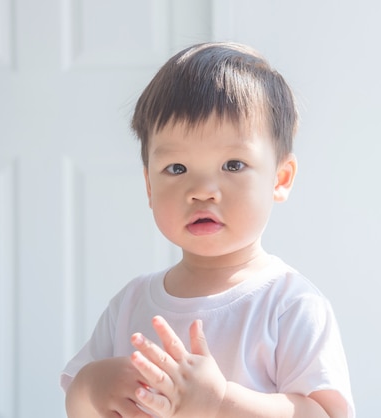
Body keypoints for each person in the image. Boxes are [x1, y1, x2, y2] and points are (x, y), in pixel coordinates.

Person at [60, 42, 354, 418]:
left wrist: (220, 402)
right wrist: (89, 387)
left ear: (280, 178)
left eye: (233, 164)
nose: (201, 190)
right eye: (177, 169)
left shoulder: (290, 305)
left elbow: (325, 414)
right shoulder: (130, 304)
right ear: (150, 186)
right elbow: (79, 408)